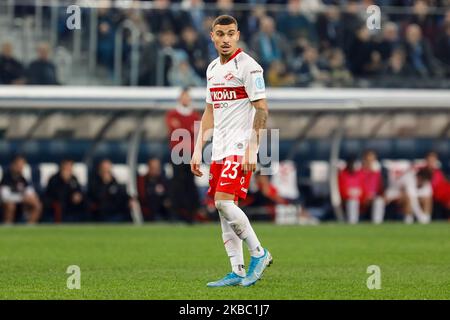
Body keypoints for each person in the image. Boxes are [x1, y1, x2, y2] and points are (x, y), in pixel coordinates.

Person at [190, 15, 272, 288]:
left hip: (240, 146)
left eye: (230, 34)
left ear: (237, 36)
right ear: (212, 36)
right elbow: (210, 110)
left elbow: (262, 109)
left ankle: (259, 253)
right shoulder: (212, 69)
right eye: (220, 34)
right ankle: (236, 270)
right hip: (219, 149)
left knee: (223, 203)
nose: (225, 39)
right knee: (224, 209)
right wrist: (196, 148)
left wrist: (253, 149)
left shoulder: (249, 67)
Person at [166, 87, 202, 223]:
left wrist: (183, 128)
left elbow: (194, 131)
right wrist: (189, 130)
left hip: (191, 154)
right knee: (176, 184)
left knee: (190, 184)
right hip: (177, 153)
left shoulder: (194, 115)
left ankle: (190, 215)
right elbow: (178, 130)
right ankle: (176, 214)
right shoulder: (172, 114)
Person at [0, 155, 41, 224]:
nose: (20, 167)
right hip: (7, 204)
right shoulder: (6, 178)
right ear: (13, 165)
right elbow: (5, 197)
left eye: (22, 165)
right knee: (10, 205)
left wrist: (31, 197)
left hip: (21, 203)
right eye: (18, 165)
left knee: (37, 204)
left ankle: (30, 227)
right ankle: (7, 226)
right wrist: (22, 198)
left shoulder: (23, 178)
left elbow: (30, 191)